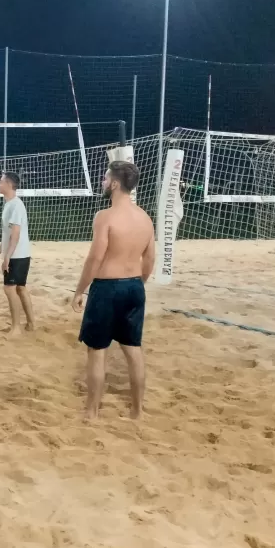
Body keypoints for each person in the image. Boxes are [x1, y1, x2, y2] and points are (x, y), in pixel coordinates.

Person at [71, 160, 155, 421]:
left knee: (97, 351)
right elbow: (150, 258)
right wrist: (138, 282)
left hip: (107, 288)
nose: (103, 182)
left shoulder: (105, 217)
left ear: (116, 183)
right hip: (134, 287)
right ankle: (137, 412)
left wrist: (79, 291)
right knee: (133, 350)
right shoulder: (145, 217)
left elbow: (95, 259)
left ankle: (92, 412)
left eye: (106, 179)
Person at [0, 170, 35, 335]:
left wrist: (7, 258)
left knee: (10, 289)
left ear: (9, 184)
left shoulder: (16, 205)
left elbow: (15, 235)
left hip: (18, 255)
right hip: (20, 254)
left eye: (1, 181)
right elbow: (8, 234)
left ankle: (16, 328)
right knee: (20, 288)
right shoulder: (10, 204)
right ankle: (31, 324)